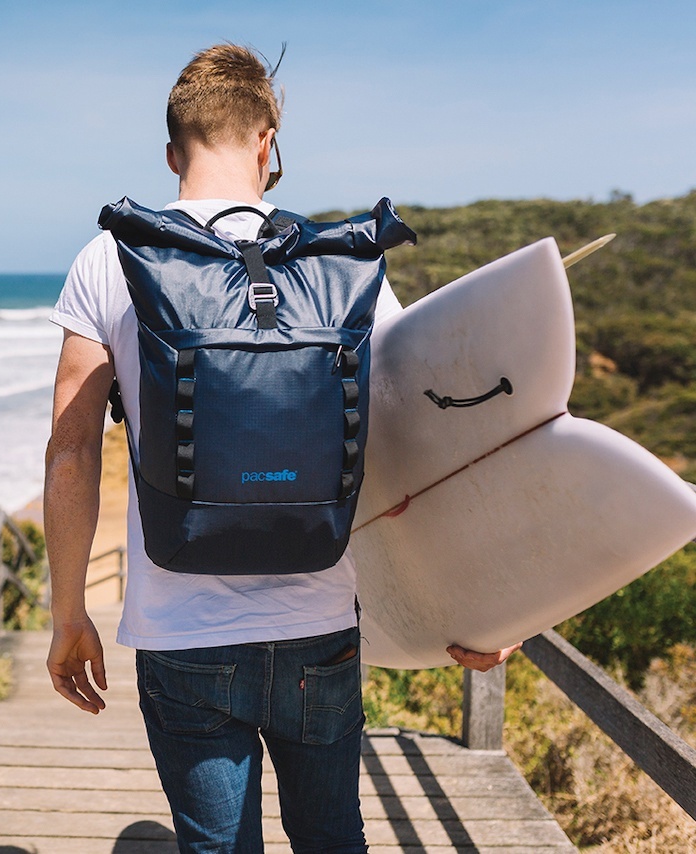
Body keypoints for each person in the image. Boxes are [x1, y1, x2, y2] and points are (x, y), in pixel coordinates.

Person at [43, 44, 520, 853]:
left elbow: (72, 450)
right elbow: (419, 446)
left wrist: (68, 615)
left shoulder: (110, 258)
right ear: (268, 143)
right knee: (332, 838)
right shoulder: (339, 266)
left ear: (172, 153)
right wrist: (476, 604)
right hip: (318, 623)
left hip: (179, 631)